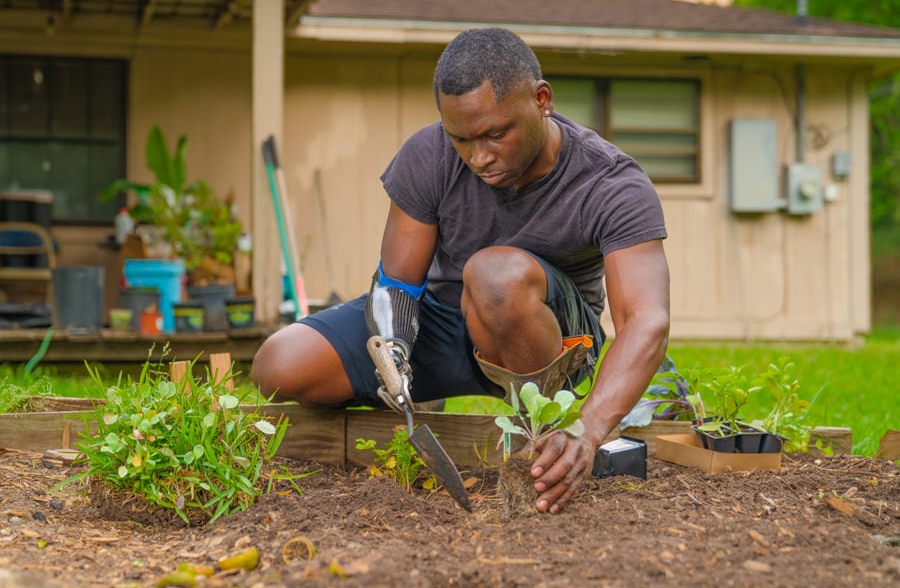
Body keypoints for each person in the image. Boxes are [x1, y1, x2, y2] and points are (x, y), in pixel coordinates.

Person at [251, 27, 670, 514]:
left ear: (542, 100)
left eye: (495, 134)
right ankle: (424, 395)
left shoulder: (610, 182)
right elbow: (397, 285)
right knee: (280, 364)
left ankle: (539, 437)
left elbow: (646, 320)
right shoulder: (427, 155)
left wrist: (589, 430)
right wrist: (394, 354)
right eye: (461, 139)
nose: (479, 157)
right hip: (445, 321)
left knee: (495, 276)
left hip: (548, 338)